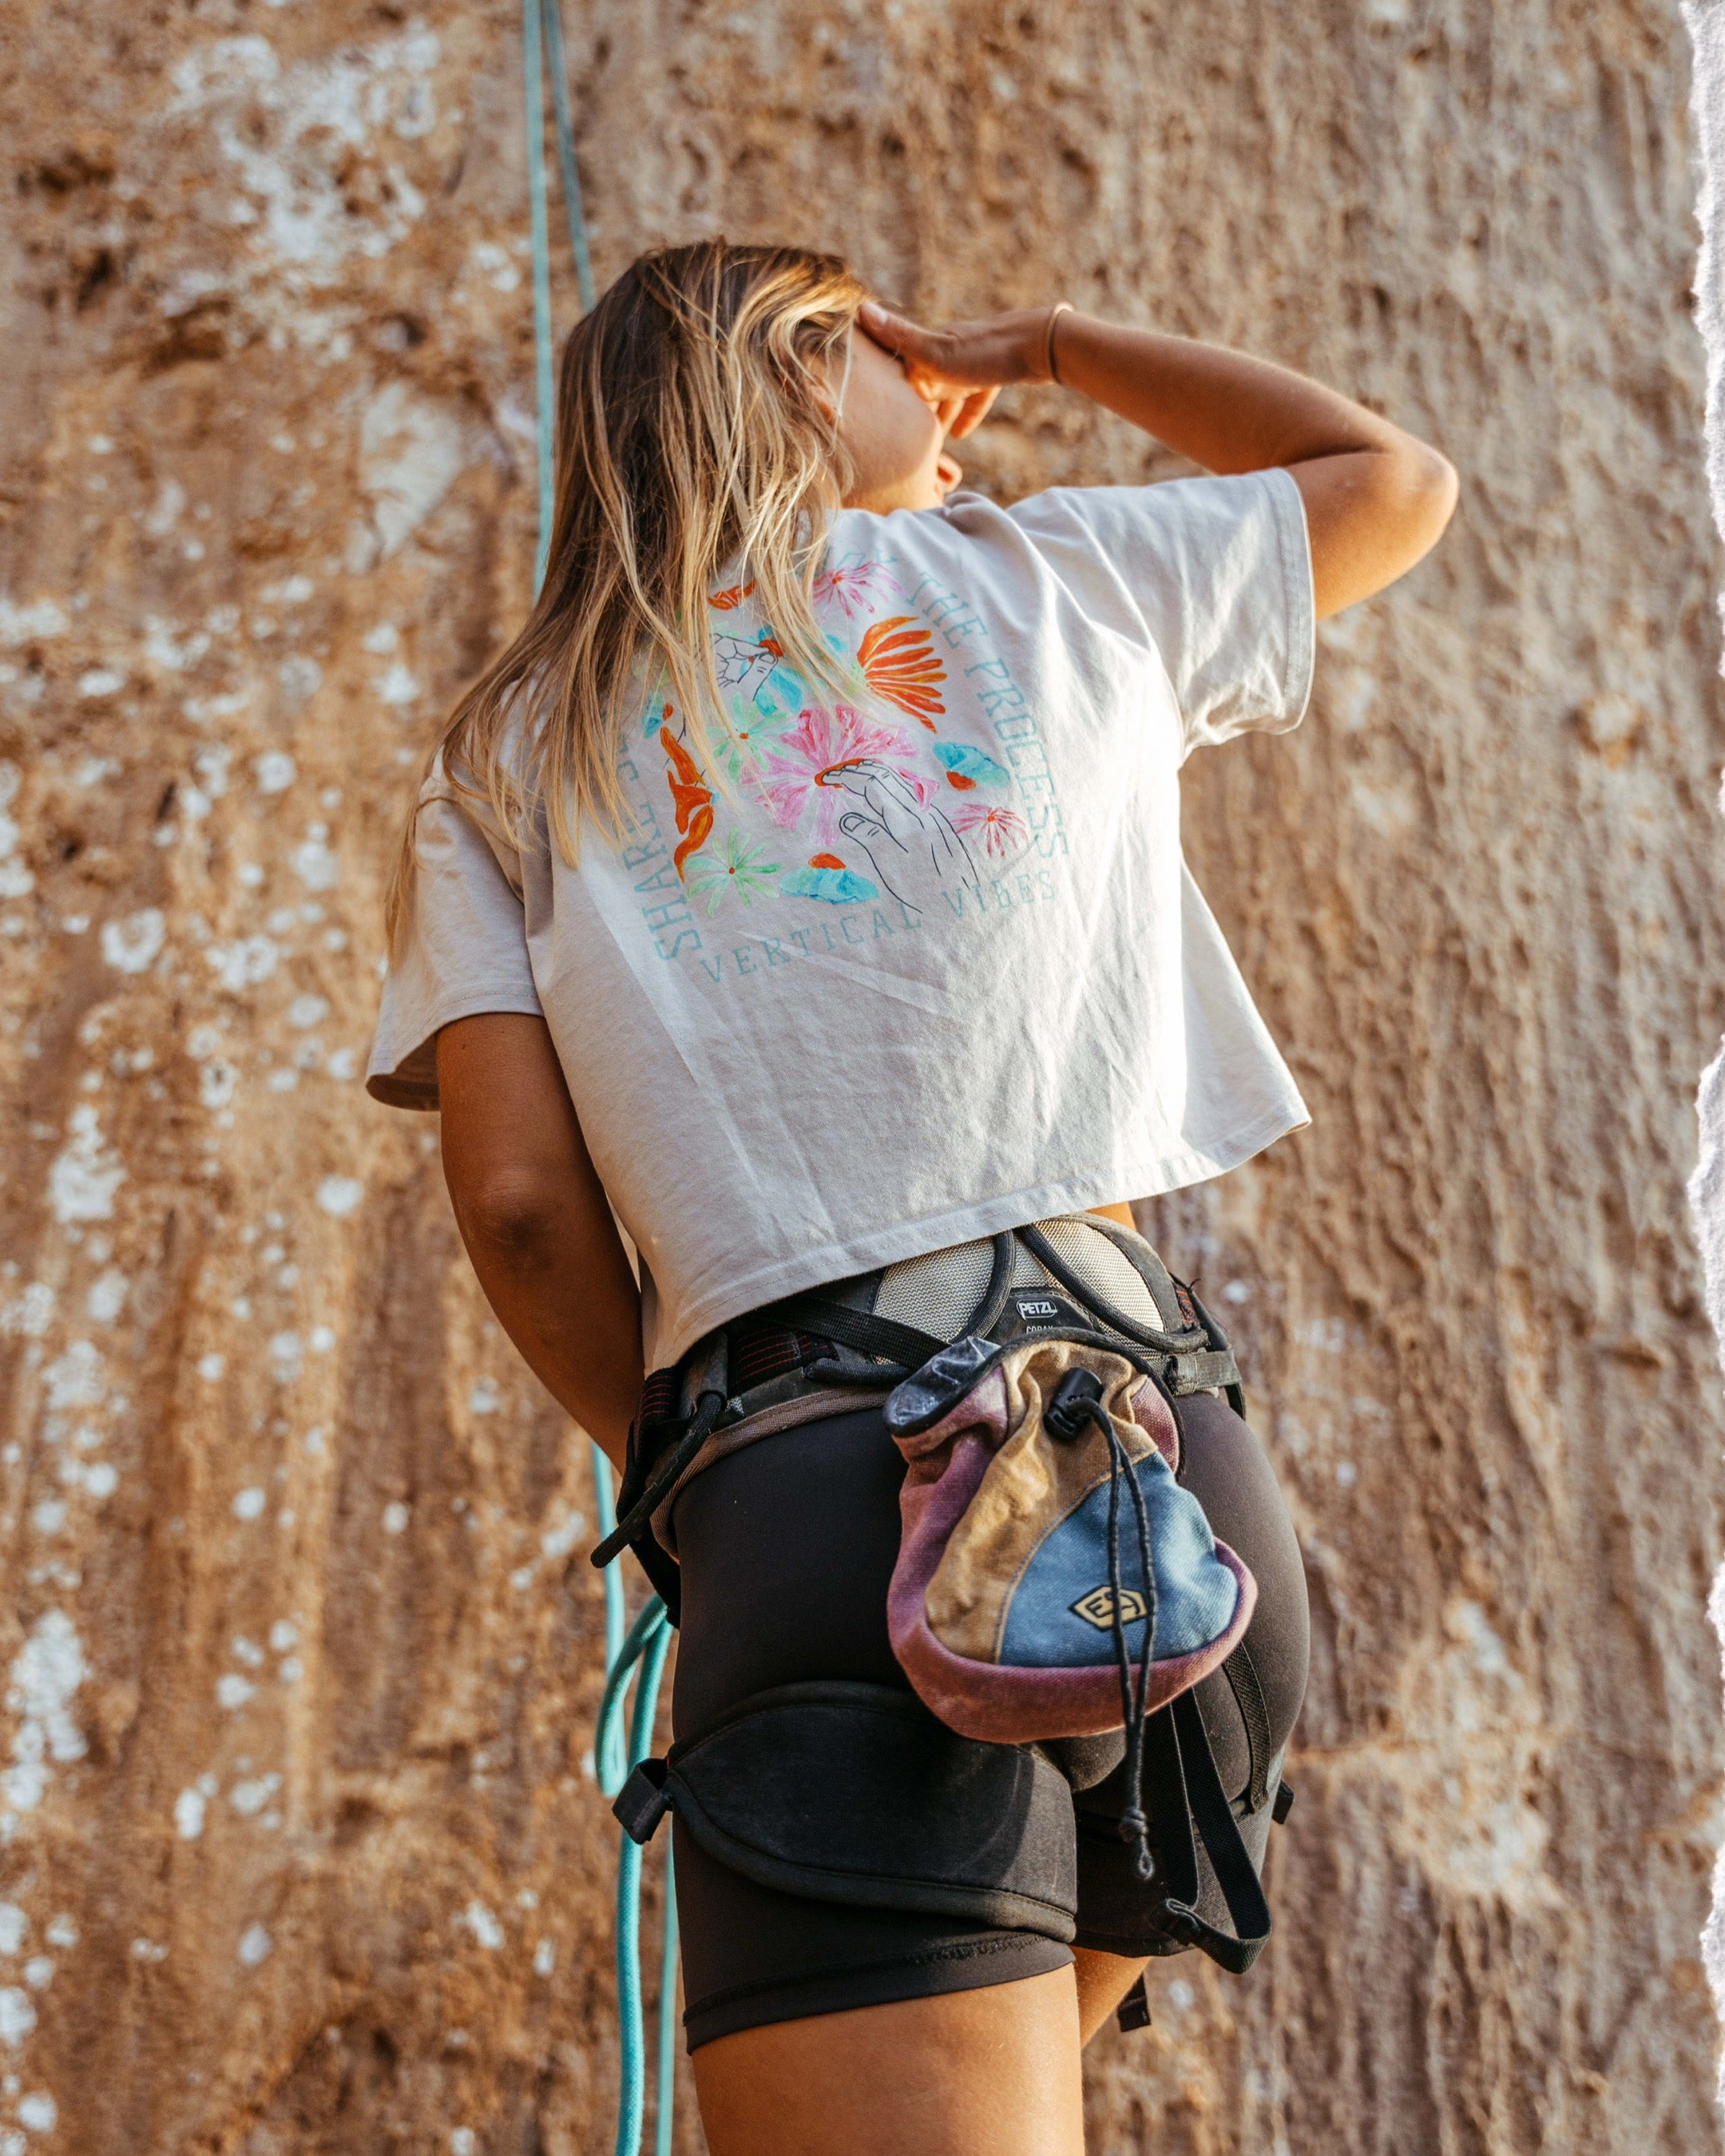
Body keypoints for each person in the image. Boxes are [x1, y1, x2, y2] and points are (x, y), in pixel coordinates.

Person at [367, 240, 1456, 2156]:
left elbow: (526, 1203)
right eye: (892, 346)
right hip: (1166, 1486)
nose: (946, 394)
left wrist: (705, 1467)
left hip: (826, 1497)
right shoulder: (1067, 579)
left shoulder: (511, 749)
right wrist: (1047, 345)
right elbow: (1390, 481)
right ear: (801, 377)